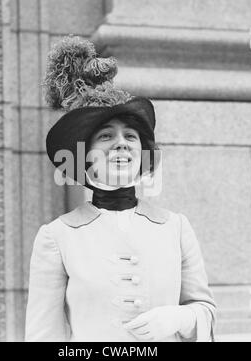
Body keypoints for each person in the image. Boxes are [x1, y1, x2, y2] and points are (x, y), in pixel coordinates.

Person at [25, 35, 216, 342]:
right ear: (84, 155)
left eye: (131, 136)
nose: (121, 144)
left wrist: (180, 317)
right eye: (105, 136)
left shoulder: (177, 228)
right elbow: (44, 336)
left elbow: (205, 310)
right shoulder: (56, 237)